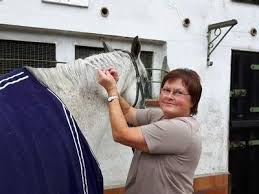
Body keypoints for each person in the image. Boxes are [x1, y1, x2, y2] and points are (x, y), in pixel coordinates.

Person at [97, 67, 202, 194]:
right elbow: (128, 112)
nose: (169, 96)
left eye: (178, 92)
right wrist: (113, 88)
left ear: (193, 100)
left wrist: (111, 90)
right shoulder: (159, 116)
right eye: (166, 90)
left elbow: (121, 134)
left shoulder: (181, 129)